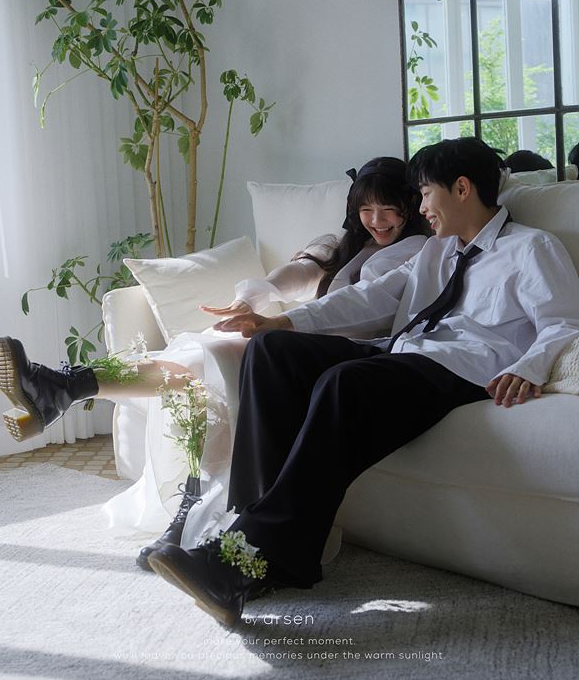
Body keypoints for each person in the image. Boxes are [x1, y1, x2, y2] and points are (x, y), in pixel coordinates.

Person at [136, 136, 579, 629]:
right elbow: (374, 295)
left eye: (425, 194)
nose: (421, 208)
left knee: (344, 384)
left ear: (461, 188)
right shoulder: (437, 251)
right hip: (405, 352)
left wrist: (529, 366)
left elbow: (563, 321)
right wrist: (284, 321)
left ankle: (243, 559)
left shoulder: (531, 247)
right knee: (271, 351)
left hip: (461, 368)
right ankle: (249, 535)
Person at [0, 157, 428, 564]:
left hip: (333, 350)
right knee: (199, 357)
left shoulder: (419, 252)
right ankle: (178, 506)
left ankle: (69, 391)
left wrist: (282, 321)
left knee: (211, 358)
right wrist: (252, 298)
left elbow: (363, 303)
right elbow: (297, 274)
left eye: (387, 209)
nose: (377, 220)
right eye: (366, 209)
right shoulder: (343, 244)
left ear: (410, 206)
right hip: (294, 335)